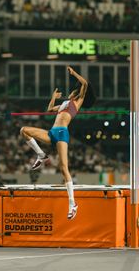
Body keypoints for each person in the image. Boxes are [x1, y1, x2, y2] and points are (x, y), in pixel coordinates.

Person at [20, 66, 96, 220]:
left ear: (75, 93)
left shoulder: (78, 100)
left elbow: (85, 84)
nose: (70, 92)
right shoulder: (63, 105)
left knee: (63, 168)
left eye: (72, 91)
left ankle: (72, 204)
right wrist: (53, 96)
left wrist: (74, 73)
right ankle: (41, 155)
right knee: (24, 130)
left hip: (62, 133)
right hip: (52, 133)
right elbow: (49, 109)